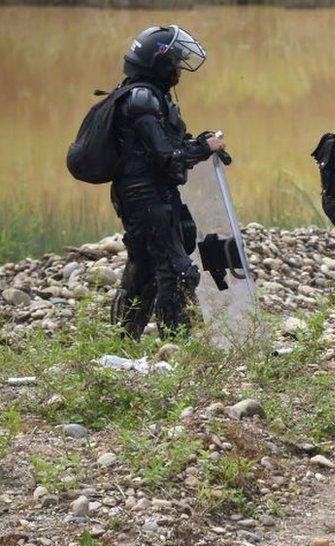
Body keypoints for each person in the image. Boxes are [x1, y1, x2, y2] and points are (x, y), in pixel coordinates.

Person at [110, 25, 225, 339]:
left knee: (145, 266)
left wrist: (197, 143)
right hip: (145, 196)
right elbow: (165, 156)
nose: (178, 69)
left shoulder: (146, 96)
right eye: (174, 62)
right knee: (178, 272)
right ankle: (175, 352)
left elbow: (166, 146)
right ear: (157, 63)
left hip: (147, 194)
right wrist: (204, 148)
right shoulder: (142, 99)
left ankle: (123, 341)